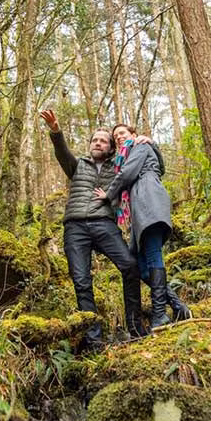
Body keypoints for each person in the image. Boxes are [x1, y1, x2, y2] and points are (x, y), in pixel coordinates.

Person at [39, 108, 147, 343]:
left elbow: (137, 157)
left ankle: (135, 328)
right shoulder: (78, 166)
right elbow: (62, 153)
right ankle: (93, 340)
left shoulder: (118, 166)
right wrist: (56, 131)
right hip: (75, 227)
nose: (98, 143)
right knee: (81, 280)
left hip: (104, 224)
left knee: (130, 266)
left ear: (111, 148)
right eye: (95, 140)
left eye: (103, 141)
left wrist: (142, 139)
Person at [94, 124, 190, 329]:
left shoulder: (140, 146)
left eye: (122, 133)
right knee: (136, 263)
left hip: (150, 200)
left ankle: (159, 314)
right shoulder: (129, 153)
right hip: (140, 208)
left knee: (153, 253)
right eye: (115, 136)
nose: (119, 137)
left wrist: (108, 194)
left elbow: (128, 173)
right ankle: (178, 306)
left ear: (134, 135)